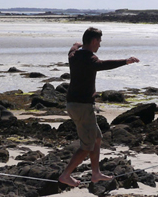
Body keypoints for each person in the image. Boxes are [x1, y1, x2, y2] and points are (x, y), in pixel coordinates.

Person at [58, 27, 139, 187]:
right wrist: (125, 61)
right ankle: (66, 175)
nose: (100, 45)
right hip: (82, 106)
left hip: (75, 104)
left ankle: (96, 173)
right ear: (94, 41)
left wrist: (77, 45)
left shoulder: (73, 55)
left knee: (96, 138)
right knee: (87, 145)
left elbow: (72, 48)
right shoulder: (90, 59)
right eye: (99, 42)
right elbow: (103, 64)